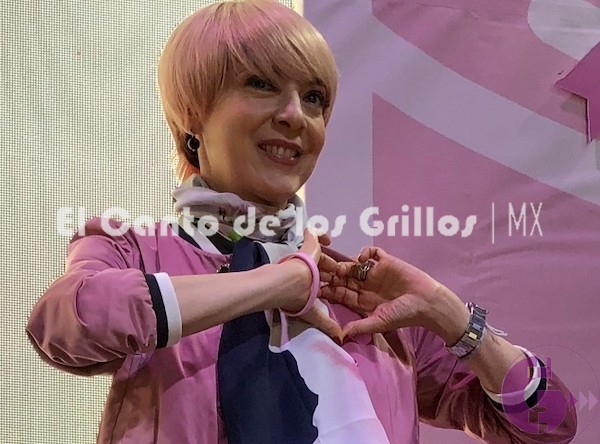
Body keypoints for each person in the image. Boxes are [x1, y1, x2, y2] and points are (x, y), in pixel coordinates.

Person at [26, 1, 576, 443]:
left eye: (314, 98)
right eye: (261, 83)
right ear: (194, 115)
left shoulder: (361, 294)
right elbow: (67, 322)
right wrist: (277, 283)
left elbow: (549, 424)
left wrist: (449, 315)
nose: (296, 116)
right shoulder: (133, 248)